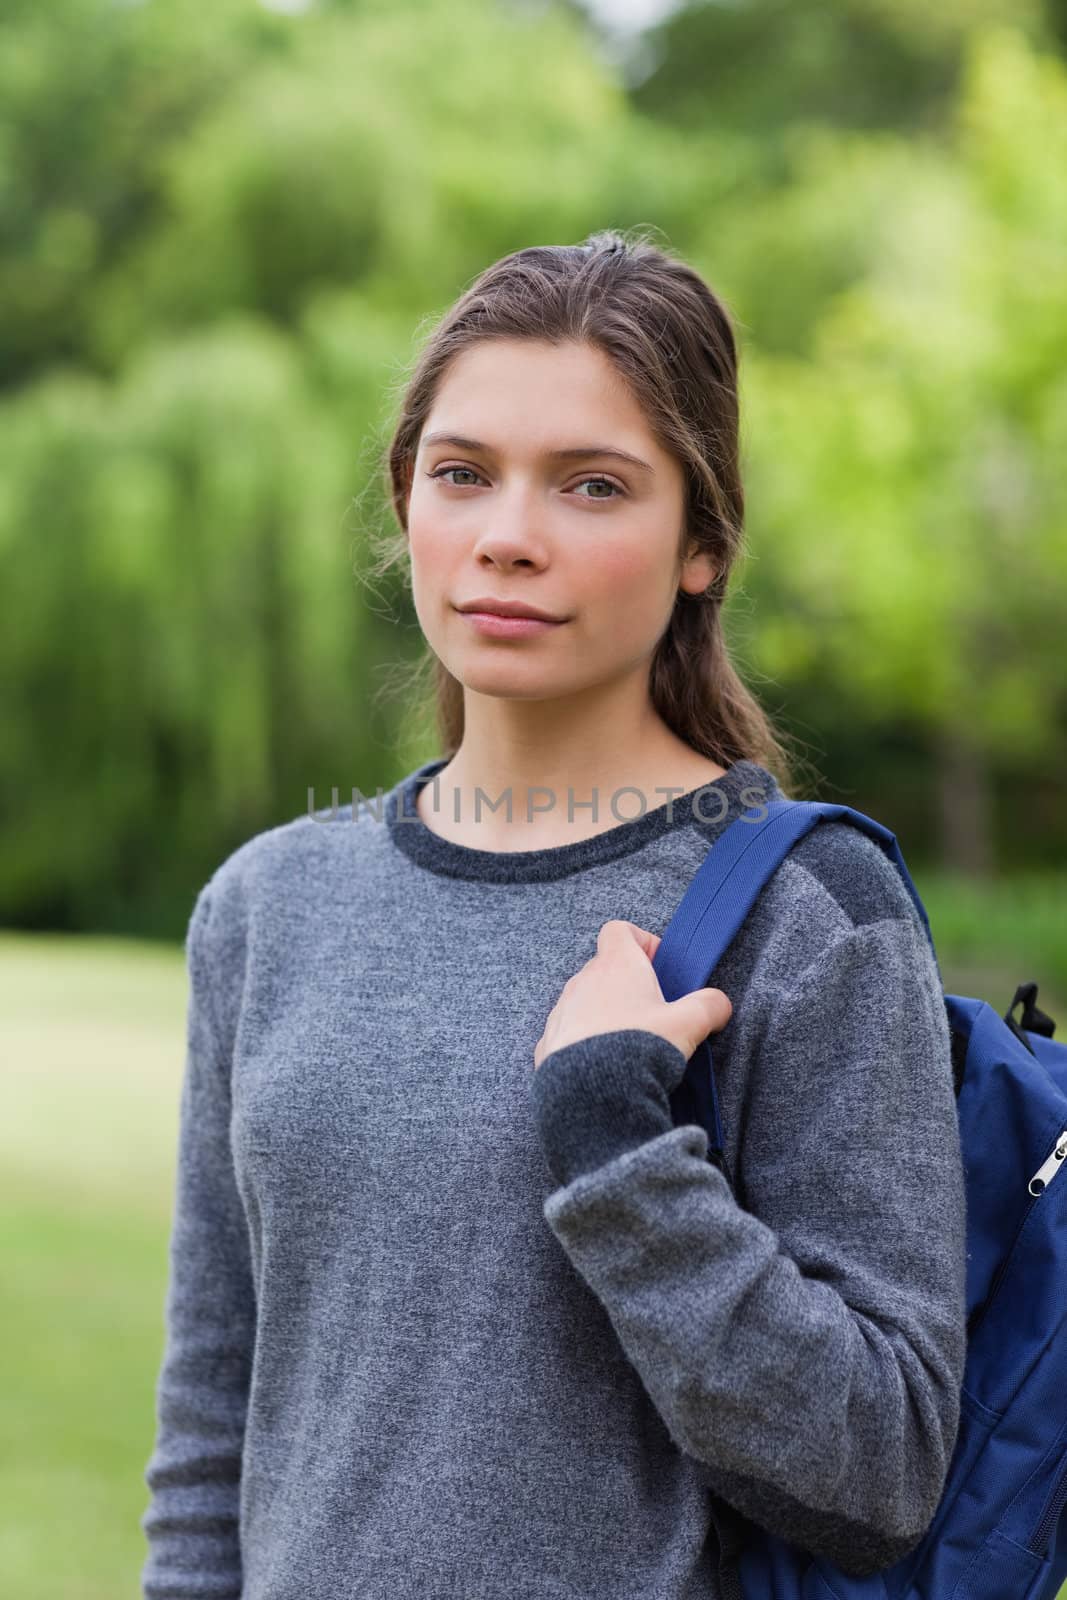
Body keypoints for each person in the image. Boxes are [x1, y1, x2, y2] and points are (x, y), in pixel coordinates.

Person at [140, 230, 968, 1600]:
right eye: (463, 475)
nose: (508, 537)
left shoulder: (813, 913)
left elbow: (880, 1467)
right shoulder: (268, 906)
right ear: (407, 499)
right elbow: (210, 1444)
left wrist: (618, 1145)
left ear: (704, 544)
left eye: (593, 486)